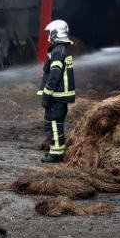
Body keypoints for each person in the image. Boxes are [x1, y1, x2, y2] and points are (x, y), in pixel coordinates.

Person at [36, 19, 76, 163]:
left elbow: (54, 76)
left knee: (52, 123)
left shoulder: (58, 52)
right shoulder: (63, 50)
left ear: (55, 33)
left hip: (56, 96)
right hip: (61, 97)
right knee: (56, 124)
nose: (48, 37)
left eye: (50, 34)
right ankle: (55, 151)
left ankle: (56, 154)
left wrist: (46, 95)